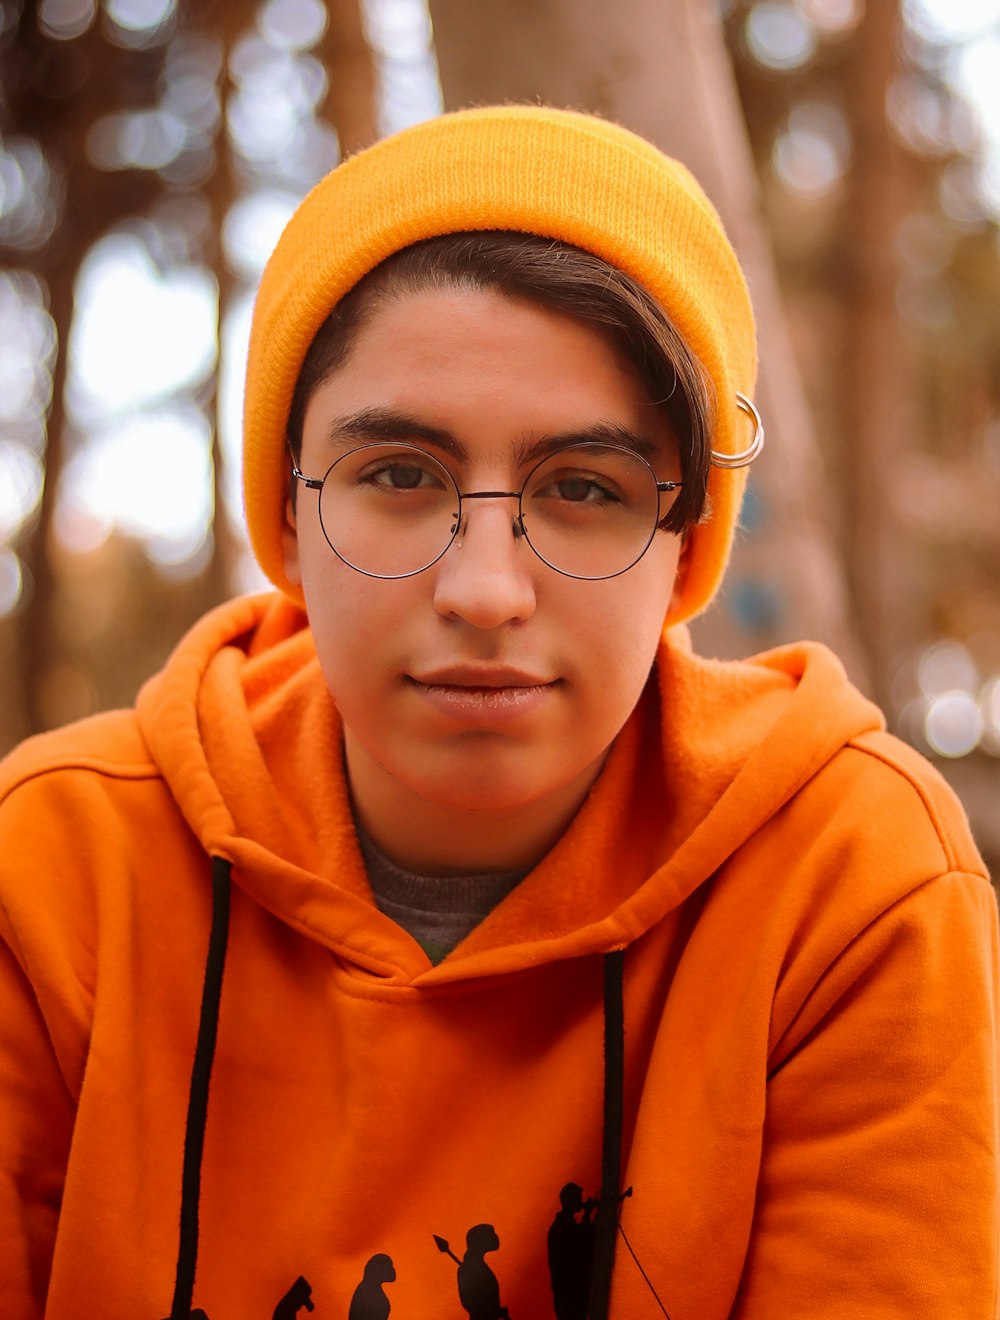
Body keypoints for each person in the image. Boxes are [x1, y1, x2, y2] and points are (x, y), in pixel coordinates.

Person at [0, 105, 996, 1320]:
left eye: (583, 487)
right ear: (286, 521)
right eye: (402, 477)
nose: (482, 591)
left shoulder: (849, 884)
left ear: (684, 558)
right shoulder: (52, 871)